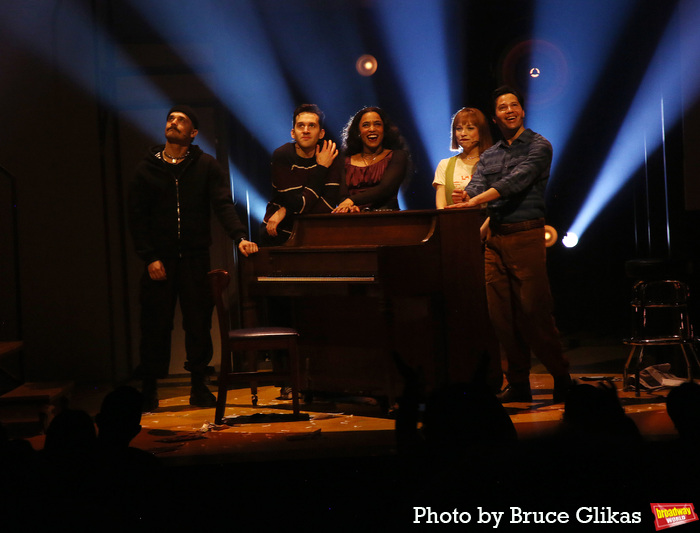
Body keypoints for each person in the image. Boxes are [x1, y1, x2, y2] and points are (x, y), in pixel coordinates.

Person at [128, 105, 258, 412]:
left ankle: (199, 385)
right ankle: (149, 388)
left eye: (181, 121)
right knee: (155, 324)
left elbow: (223, 206)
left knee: (198, 322)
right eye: (170, 119)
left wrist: (239, 236)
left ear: (193, 133)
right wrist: (148, 257)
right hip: (159, 260)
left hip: (195, 258)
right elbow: (136, 217)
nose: (173, 123)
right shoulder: (146, 168)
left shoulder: (206, 165)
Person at [449, 86, 571, 403]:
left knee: (534, 311)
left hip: (527, 235)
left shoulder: (539, 145)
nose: (509, 110)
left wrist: (476, 199)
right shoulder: (489, 155)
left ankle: (561, 377)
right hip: (495, 240)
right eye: (502, 107)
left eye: (513, 105)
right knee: (500, 316)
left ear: (522, 111)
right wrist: (463, 199)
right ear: (495, 116)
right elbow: (476, 187)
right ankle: (518, 382)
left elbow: (515, 182)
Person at [261, 104, 341, 246]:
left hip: (318, 232)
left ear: (321, 133)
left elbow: (328, 204)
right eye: (301, 126)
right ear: (293, 133)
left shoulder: (330, 153)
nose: (305, 130)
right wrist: (321, 168)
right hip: (280, 231)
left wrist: (285, 210)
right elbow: (297, 203)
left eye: (311, 126)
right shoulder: (282, 155)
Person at [333, 106, 410, 213]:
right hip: (354, 218)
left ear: (384, 130)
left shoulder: (398, 156)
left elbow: (386, 189)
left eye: (377, 124)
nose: (372, 129)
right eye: (366, 125)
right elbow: (341, 195)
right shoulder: (344, 161)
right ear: (358, 132)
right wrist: (349, 207)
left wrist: (351, 200)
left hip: (387, 219)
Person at [433, 107, 492, 209]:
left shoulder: (493, 162)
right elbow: (441, 207)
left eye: (470, 128)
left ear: (481, 131)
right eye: (459, 128)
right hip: (455, 221)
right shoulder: (445, 165)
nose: (463, 133)